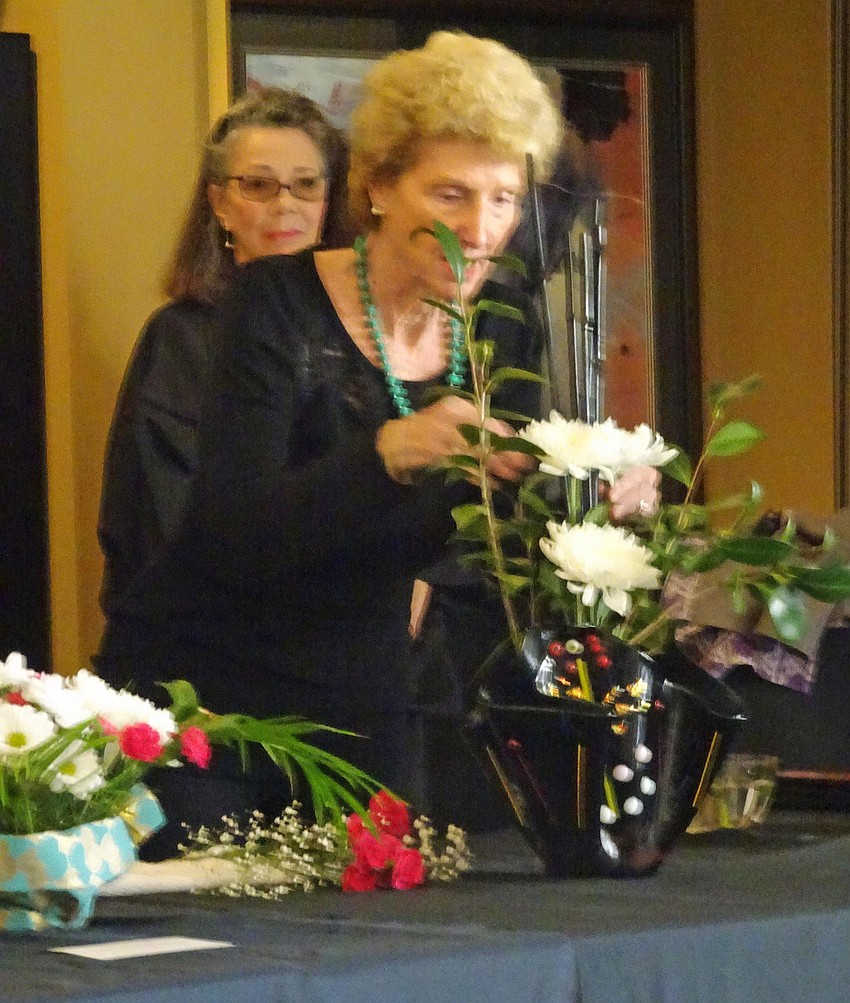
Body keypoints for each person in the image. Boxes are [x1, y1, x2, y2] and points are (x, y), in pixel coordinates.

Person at [95, 32, 658, 847]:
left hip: (366, 689)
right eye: (452, 195)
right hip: (207, 692)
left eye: (504, 197)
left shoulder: (503, 323)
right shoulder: (274, 303)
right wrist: (384, 455)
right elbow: (228, 531)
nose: (482, 227)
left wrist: (587, 496)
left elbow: (492, 527)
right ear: (380, 187)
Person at [98, 87, 352, 616]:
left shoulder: (367, 334)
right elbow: (159, 517)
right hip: (216, 632)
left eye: (306, 185)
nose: (285, 204)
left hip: (352, 634)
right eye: (258, 185)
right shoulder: (181, 338)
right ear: (219, 203)